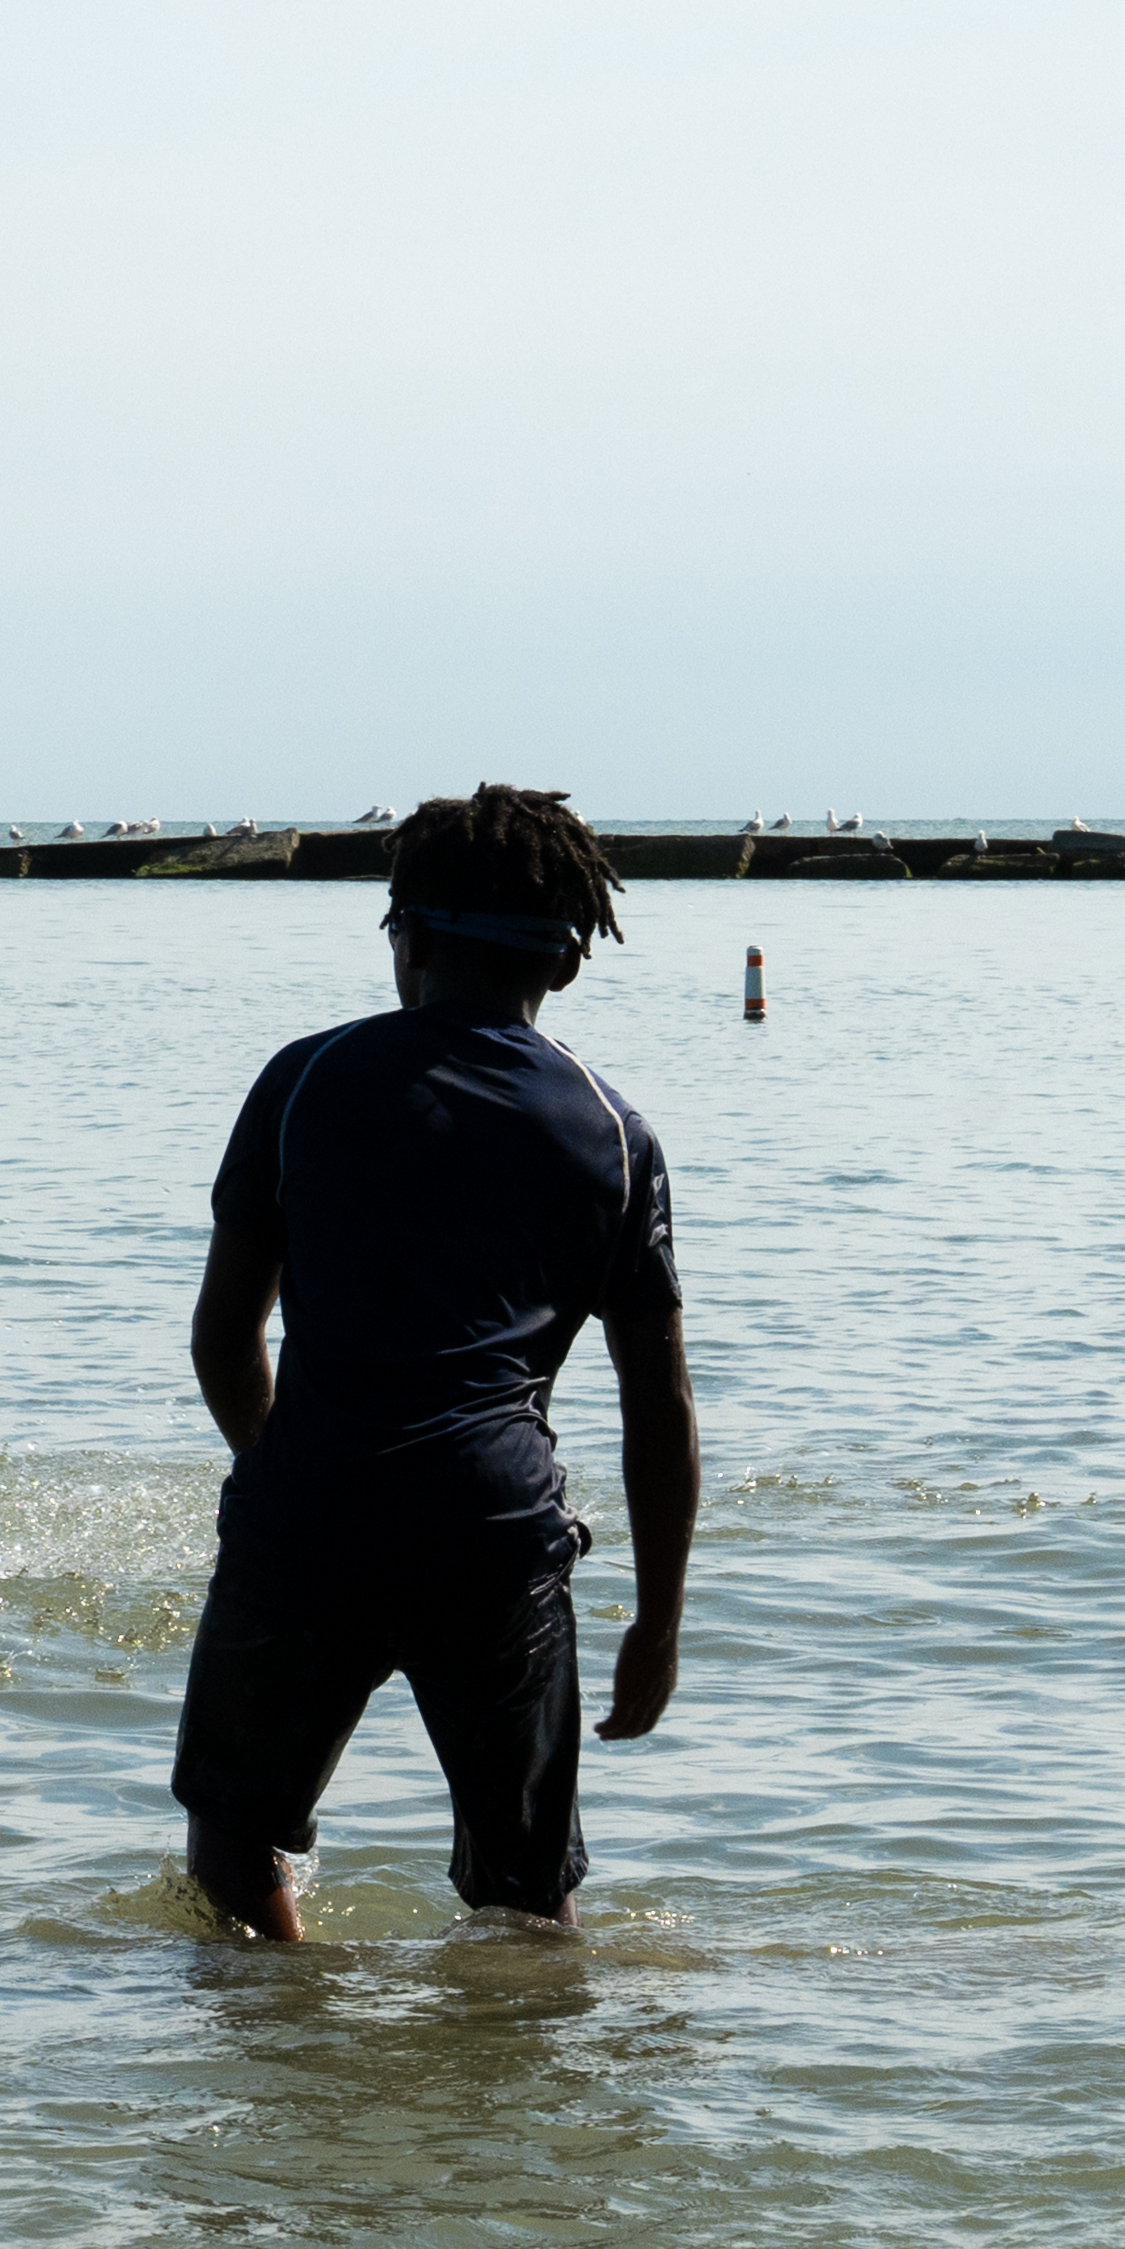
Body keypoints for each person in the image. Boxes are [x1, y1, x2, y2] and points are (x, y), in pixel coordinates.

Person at [170, 782, 697, 1941]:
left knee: (233, 1835)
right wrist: (656, 1624)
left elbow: (221, 1337)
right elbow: (656, 1404)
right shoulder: (612, 1132)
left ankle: (289, 2041)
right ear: (565, 965)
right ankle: (501, 2090)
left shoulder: (304, 1081)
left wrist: (296, 1471)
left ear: (405, 937)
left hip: (312, 1508)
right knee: (528, 1894)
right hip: (495, 1533)